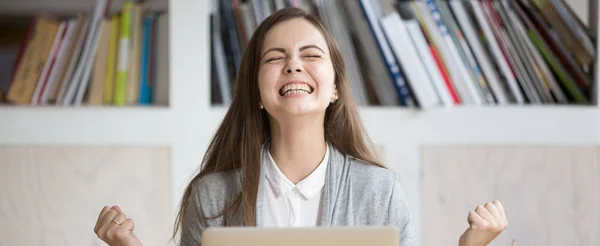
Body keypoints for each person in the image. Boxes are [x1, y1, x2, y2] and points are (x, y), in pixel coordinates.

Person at [93, 7, 508, 246]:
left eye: (310, 54)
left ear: (334, 89)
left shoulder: (378, 192)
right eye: (275, 58)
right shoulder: (213, 196)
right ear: (256, 90)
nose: (293, 64)